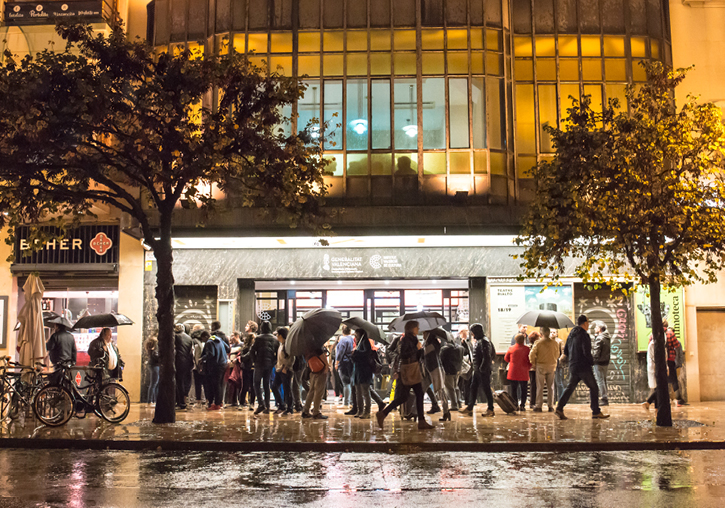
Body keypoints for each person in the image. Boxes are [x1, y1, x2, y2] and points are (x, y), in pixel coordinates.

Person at [376, 321, 435, 430]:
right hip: (408, 371)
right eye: (416, 327)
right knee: (404, 397)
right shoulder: (405, 340)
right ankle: (383, 413)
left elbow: (418, 356)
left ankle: (421, 421)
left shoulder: (414, 339)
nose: (418, 329)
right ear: (411, 328)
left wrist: (421, 350)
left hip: (413, 370)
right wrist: (417, 349)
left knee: (418, 394)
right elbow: (403, 354)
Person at [555, 315, 610, 420]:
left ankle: (559, 407)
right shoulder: (584, 335)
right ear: (584, 323)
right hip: (583, 366)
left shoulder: (571, 334)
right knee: (594, 387)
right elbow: (586, 351)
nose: (589, 324)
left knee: (570, 387)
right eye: (588, 322)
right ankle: (596, 411)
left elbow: (566, 351)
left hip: (573, 365)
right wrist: (591, 362)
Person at [459, 323, 496, 417]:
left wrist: (482, 368)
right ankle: (470, 407)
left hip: (482, 370)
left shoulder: (484, 341)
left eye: (473, 332)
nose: (472, 334)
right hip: (478, 370)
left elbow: (487, 356)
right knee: (473, 387)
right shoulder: (480, 341)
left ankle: (491, 409)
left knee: (486, 389)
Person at [529, 326, 559, 412]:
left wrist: (533, 363)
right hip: (552, 366)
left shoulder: (538, 343)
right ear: (549, 333)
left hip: (541, 365)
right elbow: (557, 355)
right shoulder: (555, 343)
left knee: (540, 386)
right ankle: (550, 406)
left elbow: (532, 354)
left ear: (541, 334)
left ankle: (539, 405)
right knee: (551, 387)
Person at [250, 320, 278, 414]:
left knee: (256, 383)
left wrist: (254, 361)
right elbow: (277, 353)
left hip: (259, 363)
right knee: (267, 384)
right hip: (269, 364)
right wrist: (274, 361)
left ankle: (261, 404)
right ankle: (267, 406)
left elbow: (252, 350)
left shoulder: (258, 338)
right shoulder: (275, 339)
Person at [200, 329, 229, 410]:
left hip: (215, 366)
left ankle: (216, 404)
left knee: (215, 385)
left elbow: (211, 354)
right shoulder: (218, 338)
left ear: (205, 337)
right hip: (223, 364)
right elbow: (228, 348)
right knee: (220, 384)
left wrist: (202, 358)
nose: (203, 341)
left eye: (203, 339)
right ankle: (219, 402)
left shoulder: (209, 342)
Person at [351, 328, 375, 418]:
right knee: (358, 392)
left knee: (365, 391)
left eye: (356, 334)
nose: (355, 336)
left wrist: (356, 352)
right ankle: (359, 410)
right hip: (358, 371)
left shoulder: (365, 342)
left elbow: (366, 353)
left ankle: (367, 411)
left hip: (364, 370)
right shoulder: (358, 343)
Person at [301, 346, 330, 420]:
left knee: (311, 391)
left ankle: (305, 410)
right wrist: (326, 366)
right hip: (320, 370)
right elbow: (321, 355)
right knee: (319, 391)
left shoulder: (305, 348)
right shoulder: (315, 345)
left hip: (313, 370)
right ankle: (316, 412)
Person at [504, 333, 531, 411]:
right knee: (524, 389)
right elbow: (530, 360)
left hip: (513, 371)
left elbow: (506, 358)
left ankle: (515, 404)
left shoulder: (511, 348)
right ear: (523, 340)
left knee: (514, 389)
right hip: (523, 371)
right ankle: (522, 405)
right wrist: (528, 367)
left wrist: (512, 362)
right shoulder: (527, 349)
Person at [271, 327, 294, 415]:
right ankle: (281, 405)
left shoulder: (287, 345)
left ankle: (289, 408)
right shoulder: (281, 344)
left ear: (281, 335)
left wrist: (286, 367)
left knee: (287, 389)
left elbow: (292, 358)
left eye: (277, 334)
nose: (276, 336)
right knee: (274, 386)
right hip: (279, 369)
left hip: (285, 370)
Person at [439, 334, 463, 412]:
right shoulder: (460, 348)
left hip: (448, 371)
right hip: (457, 370)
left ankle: (454, 405)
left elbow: (441, 360)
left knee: (450, 388)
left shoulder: (444, 349)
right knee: (455, 387)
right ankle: (459, 403)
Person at [174, 323, 194, 410]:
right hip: (187, 362)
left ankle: (180, 403)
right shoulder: (189, 338)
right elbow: (190, 352)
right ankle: (182, 401)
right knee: (183, 382)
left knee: (179, 383)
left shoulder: (176, 337)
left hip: (178, 362)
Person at [591, 321, 611, 407]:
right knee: (603, 380)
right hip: (605, 362)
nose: (594, 328)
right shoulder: (607, 337)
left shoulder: (600, 338)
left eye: (596, 327)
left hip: (598, 362)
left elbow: (596, 352)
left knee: (600, 380)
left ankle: (604, 398)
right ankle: (605, 397)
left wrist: (593, 360)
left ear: (599, 329)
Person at [666, 325, 686, 407]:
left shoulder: (655, 334)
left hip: (664, 361)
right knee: (674, 380)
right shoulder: (671, 335)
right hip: (671, 360)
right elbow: (678, 348)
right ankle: (678, 399)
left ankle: (674, 399)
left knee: (667, 380)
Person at [335, 326, 355, 411]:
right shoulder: (353, 339)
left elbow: (340, 353)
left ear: (342, 331)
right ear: (350, 331)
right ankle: (351, 402)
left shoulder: (343, 340)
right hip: (351, 363)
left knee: (345, 383)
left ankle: (346, 403)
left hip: (343, 363)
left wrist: (337, 362)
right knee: (351, 383)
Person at [238, 332, 256, 408]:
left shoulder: (256, 348)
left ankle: (252, 403)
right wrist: (250, 353)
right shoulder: (244, 347)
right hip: (246, 368)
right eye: (253, 338)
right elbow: (243, 358)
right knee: (245, 386)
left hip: (253, 368)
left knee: (253, 387)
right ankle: (242, 403)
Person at [190, 324, 206, 406]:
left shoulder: (194, 341)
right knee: (202, 383)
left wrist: (196, 365)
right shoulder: (201, 341)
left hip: (197, 366)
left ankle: (197, 400)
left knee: (196, 383)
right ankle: (202, 399)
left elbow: (195, 354)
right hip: (201, 365)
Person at [642, 333, 658, 412]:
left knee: (657, 388)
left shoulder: (653, 344)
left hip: (655, 367)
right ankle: (649, 403)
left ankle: (654, 406)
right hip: (655, 368)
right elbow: (654, 357)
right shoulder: (652, 345)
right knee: (658, 388)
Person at [144, 337, 160, 405]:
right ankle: (150, 400)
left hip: (153, 365)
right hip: (155, 366)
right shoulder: (154, 350)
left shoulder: (150, 349)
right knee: (154, 384)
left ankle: (154, 400)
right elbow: (156, 357)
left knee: (154, 384)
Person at [552, 329, 567, 401]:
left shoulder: (560, 341)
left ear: (557, 334)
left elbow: (563, 353)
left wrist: (559, 360)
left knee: (559, 382)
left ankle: (561, 399)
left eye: (554, 332)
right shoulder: (548, 342)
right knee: (552, 383)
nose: (552, 334)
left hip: (558, 364)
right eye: (551, 332)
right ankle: (554, 399)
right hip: (550, 364)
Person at [526, 331, 540, 409]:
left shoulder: (528, 346)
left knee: (533, 385)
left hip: (531, 368)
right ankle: (533, 402)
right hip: (535, 367)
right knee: (535, 385)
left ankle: (532, 402)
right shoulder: (536, 346)